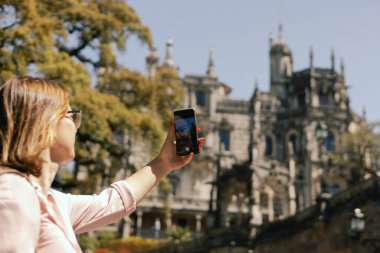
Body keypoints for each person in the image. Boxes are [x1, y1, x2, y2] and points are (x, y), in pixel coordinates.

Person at [0, 77, 205, 252]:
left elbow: (110, 203)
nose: (76, 126)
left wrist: (164, 163)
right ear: (44, 122)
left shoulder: (49, 200)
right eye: (70, 115)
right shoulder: (13, 192)